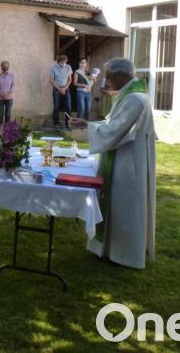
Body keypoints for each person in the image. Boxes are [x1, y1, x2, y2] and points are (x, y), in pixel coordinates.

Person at [69, 58, 156, 269]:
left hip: (128, 162)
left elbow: (114, 131)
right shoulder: (129, 94)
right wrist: (89, 124)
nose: (106, 81)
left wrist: (89, 130)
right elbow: (113, 123)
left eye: (108, 77)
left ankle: (125, 254)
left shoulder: (134, 99)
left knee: (126, 206)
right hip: (122, 156)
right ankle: (111, 249)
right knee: (116, 204)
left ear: (120, 76)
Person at [50, 54, 73, 129]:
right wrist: (59, 89)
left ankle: (68, 123)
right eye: (63, 61)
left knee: (68, 107)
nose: (64, 63)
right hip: (57, 89)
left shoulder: (68, 67)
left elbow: (70, 79)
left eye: (65, 61)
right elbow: (51, 80)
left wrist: (65, 88)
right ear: (59, 61)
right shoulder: (54, 68)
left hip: (66, 89)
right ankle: (56, 124)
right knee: (56, 107)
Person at [0, 60, 14, 126]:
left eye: (6, 65)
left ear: (8, 66)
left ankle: (7, 128)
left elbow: (13, 86)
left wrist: (8, 95)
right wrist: (2, 95)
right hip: (0, 97)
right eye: (3, 65)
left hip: (9, 98)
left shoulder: (11, 75)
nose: (5, 67)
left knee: (8, 114)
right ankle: (0, 128)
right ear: (1, 67)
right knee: (0, 114)